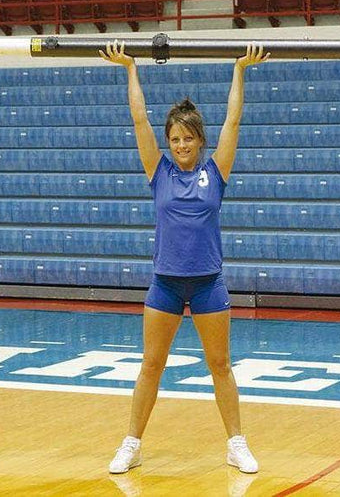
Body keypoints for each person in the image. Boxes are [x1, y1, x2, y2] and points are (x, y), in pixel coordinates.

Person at [99, 39, 270, 475]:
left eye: (187, 138)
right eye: (174, 139)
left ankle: (236, 444)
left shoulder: (216, 172)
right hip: (166, 284)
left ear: (199, 140)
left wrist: (239, 70)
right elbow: (139, 119)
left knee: (220, 365)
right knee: (151, 365)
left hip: (208, 282)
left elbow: (233, 120)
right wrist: (130, 68)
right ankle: (132, 444)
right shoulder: (158, 172)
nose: (180, 145)